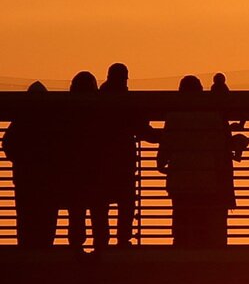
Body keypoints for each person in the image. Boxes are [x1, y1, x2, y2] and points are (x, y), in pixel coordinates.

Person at [156, 75, 246, 248]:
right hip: (206, 177)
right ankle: (202, 252)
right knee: (202, 220)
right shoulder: (212, 115)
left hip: (180, 178)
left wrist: (161, 163)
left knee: (181, 219)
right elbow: (219, 147)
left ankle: (181, 251)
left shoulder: (174, 116)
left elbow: (166, 144)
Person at [97, 63, 157, 247]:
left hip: (99, 164)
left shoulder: (97, 101)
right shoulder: (125, 101)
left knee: (100, 204)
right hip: (123, 162)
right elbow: (142, 129)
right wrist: (165, 137)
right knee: (126, 202)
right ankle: (123, 239)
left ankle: (102, 241)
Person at [3, 82, 61, 249]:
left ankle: (26, 248)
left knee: (26, 216)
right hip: (47, 179)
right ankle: (44, 247)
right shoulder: (52, 122)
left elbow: (8, 144)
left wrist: (21, 161)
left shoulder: (20, 121)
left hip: (25, 179)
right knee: (47, 216)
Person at [62, 71, 109, 253]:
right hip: (97, 172)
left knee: (76, 212)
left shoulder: (66, 115)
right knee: (98, 212)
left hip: (75, 174)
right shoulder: (101, 114)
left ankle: (76, 246)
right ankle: (100, 247)